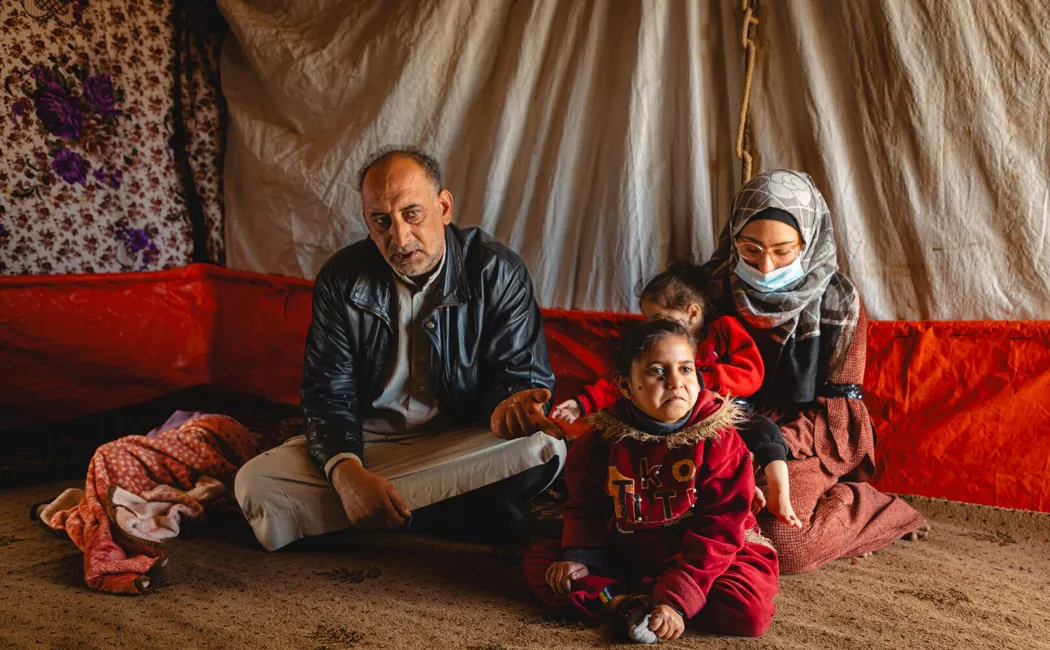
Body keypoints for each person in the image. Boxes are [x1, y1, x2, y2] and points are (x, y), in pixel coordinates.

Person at [234, 146, 566, 551]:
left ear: (443, 207)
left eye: (412, 213)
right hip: (370, 447)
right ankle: (450, 512)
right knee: (256, 484)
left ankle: (380, 515)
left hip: (460, 442)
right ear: (368, 224)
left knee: (542, 449)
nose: (399, 237)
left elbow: (520, 377)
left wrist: (509, 409)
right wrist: (346, 475)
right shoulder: (341, 278)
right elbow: (327, 393)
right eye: (382, 222)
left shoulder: (497, 270)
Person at [703, 169, 928, 574]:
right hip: (715, 428)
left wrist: (770, 451)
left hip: (804, 439)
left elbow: (838, 412)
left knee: (782, 540)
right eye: (750, 249)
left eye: (784, 251)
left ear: (808, 242)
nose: (766, 267)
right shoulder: (709, 290)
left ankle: (874, 507)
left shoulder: (839, 303)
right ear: (732, 234)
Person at [524, 320, 779, 643]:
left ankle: (639, 599)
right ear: (626, 386)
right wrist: (579, 557)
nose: (675, 382)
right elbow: (585, 508)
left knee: (748, 610)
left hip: (705, 553)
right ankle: (626, 603)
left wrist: (678, 598)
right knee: (546, 569)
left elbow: (721, 527)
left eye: (686, 370)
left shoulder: (720, 438)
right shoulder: (601, 440)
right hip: (630, 548)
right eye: (658, 372)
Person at [551, 264, 802, 529]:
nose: (652, 325)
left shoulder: (724, 330)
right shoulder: (652, 344)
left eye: (658, 316)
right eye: (648, 319)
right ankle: (744, 487)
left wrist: (706, 379)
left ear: (692, 313)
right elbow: (625, 380)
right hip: (681, 423)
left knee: (764, 431)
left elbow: (751, 372)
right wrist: (583, 403)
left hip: (726, 412)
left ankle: (779, 494)